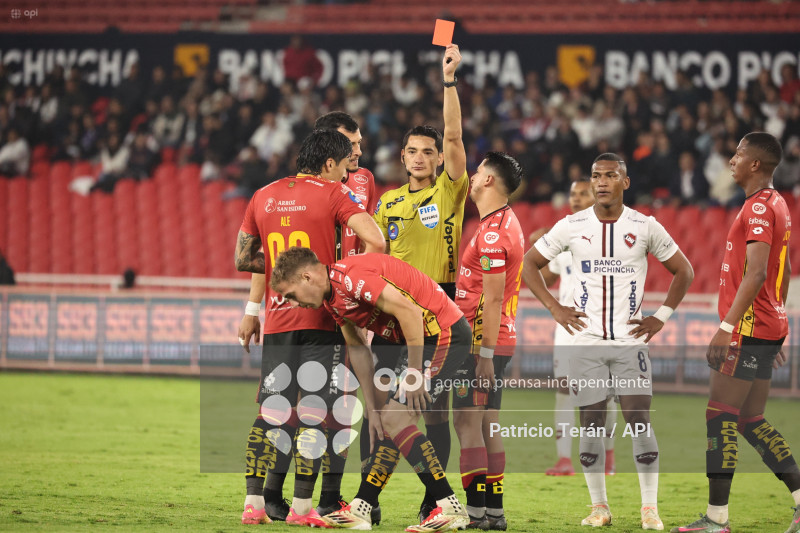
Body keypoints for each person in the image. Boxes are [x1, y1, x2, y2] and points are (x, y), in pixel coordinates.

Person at [522, 152, 694, 530]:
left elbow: (684, 270)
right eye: (596, 176)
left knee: (639, 422)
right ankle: (599, 506)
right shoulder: (571, 226)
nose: (601, 182)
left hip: (630, 343)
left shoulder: (645, 226)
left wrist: (660, 316)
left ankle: (650, 509)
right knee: (592, 424)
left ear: (625, 182)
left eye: (610, 175)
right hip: (586, 344)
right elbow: (528, 264)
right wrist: (555, 308)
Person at [234, 129, 384, 526]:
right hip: (323, 316)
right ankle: (302, 509)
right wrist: (343, 278)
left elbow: (243, 257)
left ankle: (253, 504)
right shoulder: (333, 192)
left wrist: (280, 271)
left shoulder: (262, 195)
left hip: (279, 320)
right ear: (330, 164)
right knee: (316, 413)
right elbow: (376, 240)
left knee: (271, 411)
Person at [270, 247, 471, 532]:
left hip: (443, 332)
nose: (293, 304)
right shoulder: (334, 300)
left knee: (397, 419)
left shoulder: (350, 278)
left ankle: (450, 506)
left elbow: (409, 311)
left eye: (291, 295)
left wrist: (413, 373)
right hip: (424, 338)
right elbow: (358, 349)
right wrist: (373, 409)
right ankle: (362, 507)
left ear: (306, 277)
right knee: (391, 420)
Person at [671, 133, 800, 533]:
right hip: (764, 325)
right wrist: (777, 321)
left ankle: (716, 519)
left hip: (745, 329)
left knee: (721, 416)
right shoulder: (775, 203)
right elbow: (785, 269)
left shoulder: (760, 207)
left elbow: (759, 271)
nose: (733, 159)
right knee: (750, 419)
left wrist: (727, 327)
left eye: (740, 153)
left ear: (756, 165)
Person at [371, 43, 467, 522]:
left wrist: (448, 81)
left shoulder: (450, 191)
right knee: (383, 409)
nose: (419, 157)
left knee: (432, 411)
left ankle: (434, 502)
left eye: (427, 152)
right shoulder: (385, 203)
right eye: (412, 151)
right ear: (403, 155)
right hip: (390, 313)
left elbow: (453, 136)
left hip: (437, 312)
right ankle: (369, 503)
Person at [451, 152, 524, 530]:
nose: (472, 177)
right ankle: (493, 514)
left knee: (466, 423)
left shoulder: (493, 233)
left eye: (478, 171)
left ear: (489, 182)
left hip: (481, 343)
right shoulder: (500, 223)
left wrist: (484, 356)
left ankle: (476, 514)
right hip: (494, 341)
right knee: (487, 425)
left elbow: (492, 298)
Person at [529, 178, 618, 477]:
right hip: (567, 327)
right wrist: (540, 249)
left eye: (583, 193)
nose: (576, 198)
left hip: (601, 326)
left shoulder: (609, 233)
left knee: (604, 393)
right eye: (573, 194)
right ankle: (564, 460)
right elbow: (550, 278)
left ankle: (608, 458)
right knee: (565, 391)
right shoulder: (564, 235)